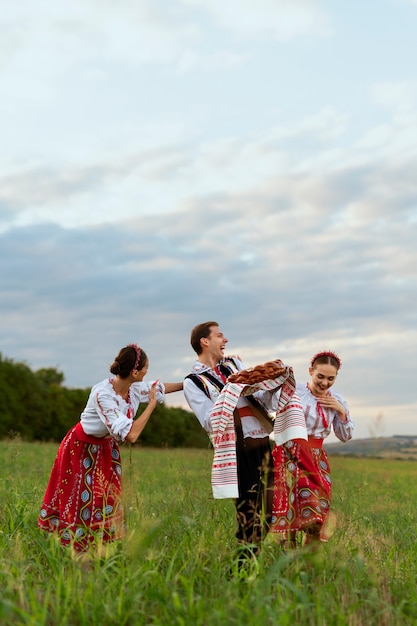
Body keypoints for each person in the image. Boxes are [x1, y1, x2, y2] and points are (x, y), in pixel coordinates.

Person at [38, 343, 183, 554]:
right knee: (79, 501)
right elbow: (131, 435)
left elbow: (158, 387)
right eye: (145, 368)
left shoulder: (132, 387)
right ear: (134, 372)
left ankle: (99, 551)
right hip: (80, 448)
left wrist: (191, 382)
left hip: (105, 449)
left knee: (106, 498)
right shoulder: (103, 394)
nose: (147, 371)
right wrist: (150, 406)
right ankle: (77, 556)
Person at [183, 321, 307, 562]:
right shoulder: (193, 382)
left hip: (262, 443)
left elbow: (259, 397)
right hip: (237, 452)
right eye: (220, 336)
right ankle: (241, 573)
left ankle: (246, 567)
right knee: (249, 515)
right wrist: (231, 391)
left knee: (270, 512)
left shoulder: (234, 365)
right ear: (205, 342)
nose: (225, 340)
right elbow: (210, 421)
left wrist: (272, 384)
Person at [271, 350, 354, 547]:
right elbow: (271, 404)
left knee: (317, 516)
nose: (325, 383)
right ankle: (288, 565)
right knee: (291, 514)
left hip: (317, 459)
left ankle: (310, 570)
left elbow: (345, 436)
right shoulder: (295, 391)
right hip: (290, 453)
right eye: (320, 376)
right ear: (310, 371)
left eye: (331, 378)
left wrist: (340, 411)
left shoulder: (338, 400)